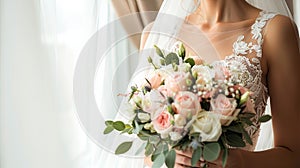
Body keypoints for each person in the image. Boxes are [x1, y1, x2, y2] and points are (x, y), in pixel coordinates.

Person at [140, 0, 300, 167]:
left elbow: (294, 156)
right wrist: (168, 155)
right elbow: (145, 153)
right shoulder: (158, 33)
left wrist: (237, 161)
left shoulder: (274, 30)